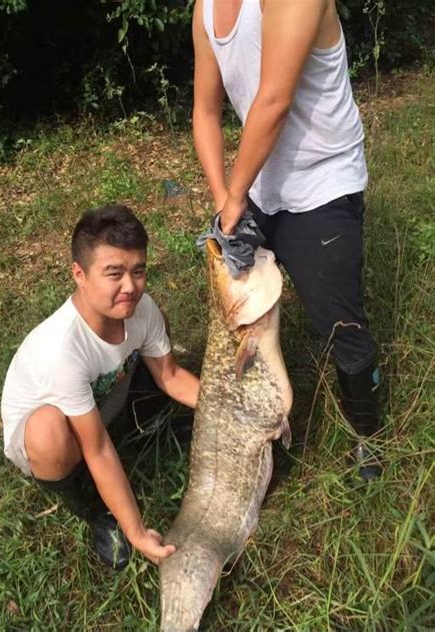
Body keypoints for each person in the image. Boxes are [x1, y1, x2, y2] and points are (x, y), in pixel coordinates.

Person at [192, 0, 382, 480]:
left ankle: (369, 437)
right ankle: (263, 428)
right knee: (244, 328)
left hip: (322, 182)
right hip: (257, 184)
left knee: (339, 324)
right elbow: (205, 110)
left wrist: (235, 195)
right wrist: (225, 199)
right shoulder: (205, 10)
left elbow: (275, 99)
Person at [1, 204, 200, 570]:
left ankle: (142, 430)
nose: (130, 287)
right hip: (60, 440)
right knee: (49, 432)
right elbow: (97, 449)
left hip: (104, 401)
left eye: (138, 271)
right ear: (79, 274)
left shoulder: (142, 308)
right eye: (114, 274)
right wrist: (137, 532)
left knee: (155, 346)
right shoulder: (61, 350)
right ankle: (97, 511)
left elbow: (170, 375)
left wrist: (228, 409)